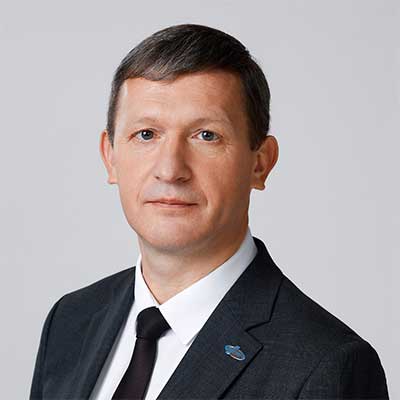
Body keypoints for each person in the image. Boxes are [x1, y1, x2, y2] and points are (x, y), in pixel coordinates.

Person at [29, 23, 389, 400]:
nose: (170, 169)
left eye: (207, 136)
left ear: (260, 164)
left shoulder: (327, 366)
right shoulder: (69, 321)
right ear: (111, 157)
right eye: (146, 134)